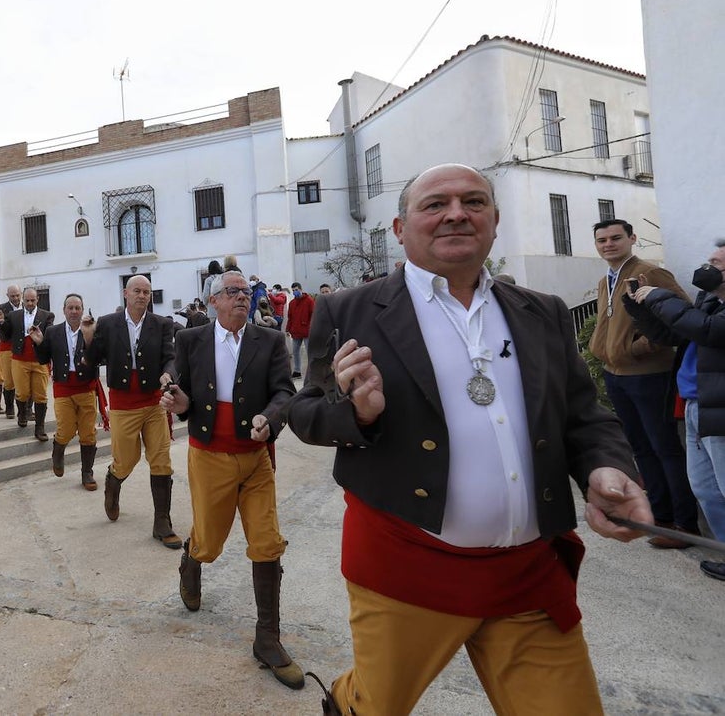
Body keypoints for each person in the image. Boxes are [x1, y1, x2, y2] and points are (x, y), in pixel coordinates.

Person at [287, 164, 651, 715]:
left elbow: (582, 413)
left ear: (495, 222)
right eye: (435, 205)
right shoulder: (351, 310)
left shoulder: (541, 311)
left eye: (473, 202)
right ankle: (347, 697)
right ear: (399, 228)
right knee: (376, 705)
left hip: (527, 574)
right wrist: (357, 413)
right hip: (406, 567)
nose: (456, 213)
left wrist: (606, 466)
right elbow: (307, 411)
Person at [162, 271, 303, 690]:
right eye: (232, 292)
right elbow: (182, 392)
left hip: (256, 457)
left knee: (267, 541)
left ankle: (267, 638)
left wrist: (271, 419)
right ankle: (192, 559)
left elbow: (284, 392)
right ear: (213, 302)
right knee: (210, 542)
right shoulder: (191, 340)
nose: (242, 297)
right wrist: (180, 400)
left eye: (245, 292)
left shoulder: (270, 340)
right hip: (209, 457)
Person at [589, 219, 700, 546]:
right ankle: (659, 518)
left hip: (649, 376)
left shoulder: (649, 273)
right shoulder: (606, 280)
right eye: (601, 240)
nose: (608, 244)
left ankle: (685, 525)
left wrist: (641, 347)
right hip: (617, 375)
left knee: (664, 447)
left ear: (632, 239)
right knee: (640, 448)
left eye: (615, 238)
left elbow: (681, 316)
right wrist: (605, 351)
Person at [626, 241, 725, 582]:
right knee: (706, 488)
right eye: (708, 260)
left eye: (717, 263)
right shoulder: (710, 300)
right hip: (695, 406)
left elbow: (707, 330)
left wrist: (657, 296)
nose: (708, 268)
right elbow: (676, 333)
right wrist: (639, 306)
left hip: (719, 409)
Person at [82, 274, 182, 548]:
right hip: (124, 404)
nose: (142, 296)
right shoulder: (108, 323)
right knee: (127, 460)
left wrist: (167, 374)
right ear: (125, 294)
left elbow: (171, 357)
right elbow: (92, 362)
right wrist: (89, 338)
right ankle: (113, 481)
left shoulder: (162, 324)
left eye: (146, 292)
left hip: (153, 402)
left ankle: (162, 522)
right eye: (137, 291)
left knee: (161, 459)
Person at [35, 293, 100, 490]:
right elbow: (43, 358)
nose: (73, 311)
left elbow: (100, 357)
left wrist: (89, 341)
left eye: (77, 308)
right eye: (70, 308)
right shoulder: (53, 332)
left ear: (82, 309)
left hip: (86, 387)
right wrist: (38, 342)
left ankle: (87, 472)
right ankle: (58, 451)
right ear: (64, 310)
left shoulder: (91, 330)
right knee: (66, 429)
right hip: (63, 387)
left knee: (88, 432)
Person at [0, 287, 54, 440]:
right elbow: (6, 333)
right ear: (23, 300)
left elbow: (49, 334)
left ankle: (40, 428)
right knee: (22, 392)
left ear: (38, 299)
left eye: (33, 300)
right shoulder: (13, 315)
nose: (30, 303)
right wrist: (1, 322)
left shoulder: (47, 315)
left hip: (39, 360)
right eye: (27, 300)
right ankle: (22, 413)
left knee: (41, 395)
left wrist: (41, 337)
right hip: (19, 359)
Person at [0, 284, 23, 418]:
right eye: (12, 296)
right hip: (7, 347)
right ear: (7, 296)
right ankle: (9, 408)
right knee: (9, 380)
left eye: (17, 295)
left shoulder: (27, 307)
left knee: (23, 381)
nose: (15, 298)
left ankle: (25, 410)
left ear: (21, 294)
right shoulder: (2, 308)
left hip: (23, 347)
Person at [285, 282, 314, 379]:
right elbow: (290, 317)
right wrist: (288, 329)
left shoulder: (309, 300)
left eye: (296, 290)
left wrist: (311, 327)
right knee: (295, 351)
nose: (295, 292)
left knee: (309, 351)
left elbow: (313, 315)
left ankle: (312, 371)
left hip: (307, 330)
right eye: (293, 290)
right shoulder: (292, 303)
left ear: (301, 289)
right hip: (296, 331)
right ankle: (297, 371)